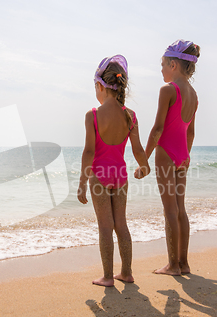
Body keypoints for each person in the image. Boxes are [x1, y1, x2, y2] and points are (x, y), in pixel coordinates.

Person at [77, 55, 150, 287]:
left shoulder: (93, 116)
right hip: (120, 177)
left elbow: (89, 152)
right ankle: (126, 273)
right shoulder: (130, 116)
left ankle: (108, 277)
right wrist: (145, 166)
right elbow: (138, 149)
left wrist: (81, 183)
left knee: (105, 227)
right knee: (121, 225)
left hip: (98, 177)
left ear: (100, 86)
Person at [137, 40, 200, 276]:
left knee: (170, 211)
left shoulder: (168, 90)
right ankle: (184, 263)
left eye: (163, 64)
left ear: (173, 64)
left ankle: (172, 265)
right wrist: (185, 155)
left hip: (165, 153)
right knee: (180, 209)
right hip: (183, 154)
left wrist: (143, 161)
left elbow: (157, 130)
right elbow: (191, 132)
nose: (161, 69)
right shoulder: (193, 95)